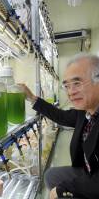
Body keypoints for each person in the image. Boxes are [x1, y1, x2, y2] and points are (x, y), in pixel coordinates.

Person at [20, 53, 99, 199]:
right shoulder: (85, 112)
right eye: (67, 86)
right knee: (51, 175)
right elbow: (60, 116)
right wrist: (31, 97)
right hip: (88, 170)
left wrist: (64, 190)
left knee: (59, 191)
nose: (71, 92)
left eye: (77, 83)